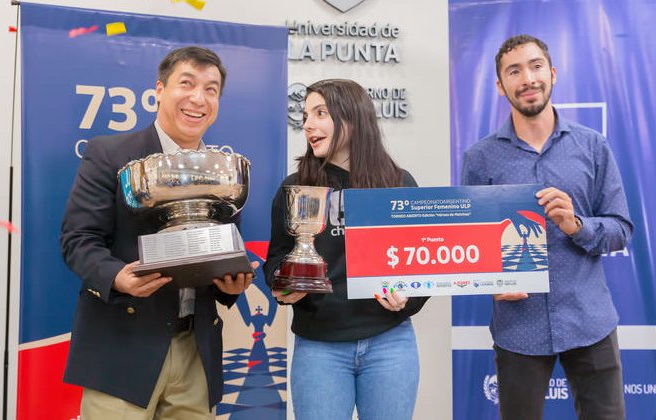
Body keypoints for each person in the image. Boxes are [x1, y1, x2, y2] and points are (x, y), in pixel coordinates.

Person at [60, 46, 256, 419]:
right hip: (123, 348)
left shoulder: (223, 168)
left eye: (211, 89)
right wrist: (116, 277)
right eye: (187, 83)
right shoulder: (110, 154)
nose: (199, 98)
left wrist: (229, 285)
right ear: (160, 90)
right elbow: (77, 240)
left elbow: (224, 247)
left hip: (195, 350)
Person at [461, 34, 634, 419]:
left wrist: (577, 226)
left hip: (589, 320)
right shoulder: (480, 159)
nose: (528, 78)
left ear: (552, 73)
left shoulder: (592, 147)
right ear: (500, 85)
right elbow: (470, 247)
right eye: (514, 71)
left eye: (536, 66)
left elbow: (621, 229)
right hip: (518, 329)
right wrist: (492, 283)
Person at [264, 79, 429, 420]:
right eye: (306, 114)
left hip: (390, 342)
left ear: (353, 119)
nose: (308, 124)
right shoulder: (295, 188)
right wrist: (284, 286)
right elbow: (276, 260)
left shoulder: (399, 183)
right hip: (319, 346)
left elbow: (422, 263)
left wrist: (408, 297)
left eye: (320, 113)